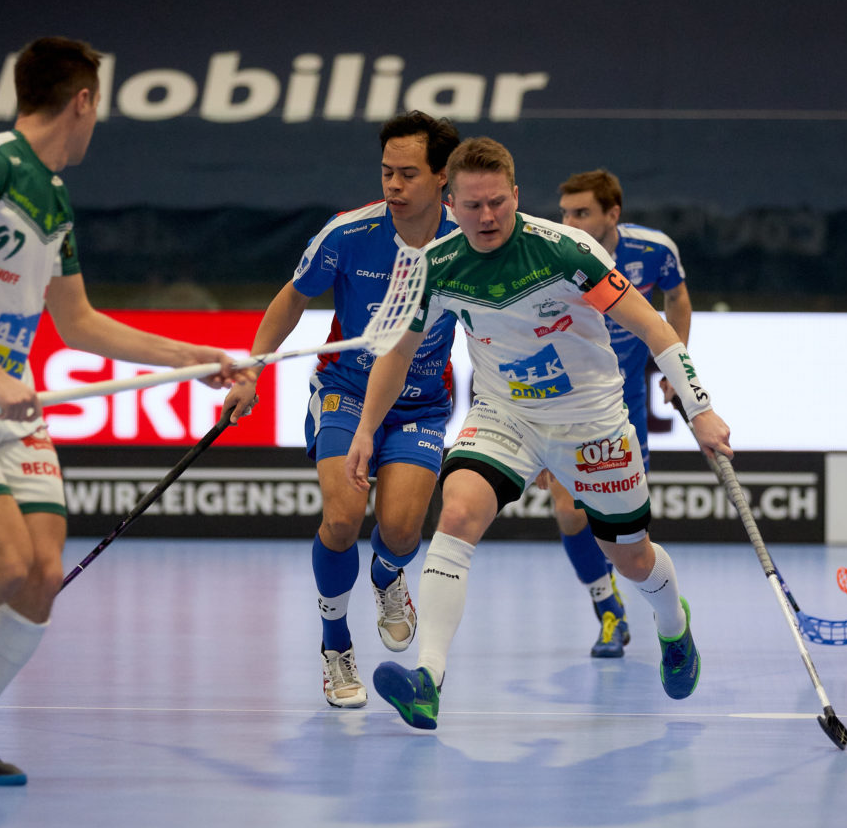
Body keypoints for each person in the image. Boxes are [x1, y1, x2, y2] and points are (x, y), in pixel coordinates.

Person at [0, 37, 236, 785]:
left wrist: (192, 358)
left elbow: (81, 323)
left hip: (10, 403)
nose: (99, 121)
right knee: (1, 562)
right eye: (100, 106)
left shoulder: (55, 197)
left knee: (42, 573)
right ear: (83, 100)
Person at [344, 137, 732, 730]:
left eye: (498, 202)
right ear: (451, 203)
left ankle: (673, 628)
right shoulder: (438, 266)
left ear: (516, 195)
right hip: (505, 416)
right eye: (473, 206)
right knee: (456, 516)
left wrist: (701, 407)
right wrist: (367, 428)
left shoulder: (565, 251)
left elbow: (655, 328)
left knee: (630, 559)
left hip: (591, 422)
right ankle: (428, 680)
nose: (488, 217)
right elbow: (398, 354)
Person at [222, 111, 461, 708]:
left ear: (443, 179)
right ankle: (335, 645)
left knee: (402, 531)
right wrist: (252, 369)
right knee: (341, 519)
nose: (394, 186)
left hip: (423, 403)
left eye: (409, 174)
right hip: (347, 392)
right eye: (386, 172)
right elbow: (291, 299)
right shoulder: (348, 234)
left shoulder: (471, 240)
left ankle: (386, 577)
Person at [537, 169, 692, 657]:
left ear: (613, 214)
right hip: (569, 402)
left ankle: (661, 602)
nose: (570, 222)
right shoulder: (551, 253)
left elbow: (678, 299)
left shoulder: (655, 251)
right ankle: (608, 610)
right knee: (568, 508)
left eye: (581, 212)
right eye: (565, 212)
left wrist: (676, 366)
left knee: (625, 529)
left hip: (625, 406)